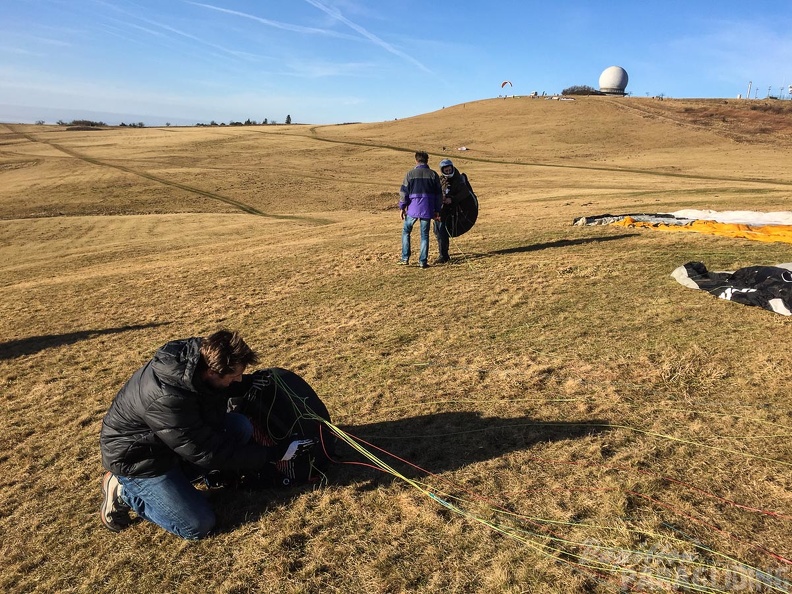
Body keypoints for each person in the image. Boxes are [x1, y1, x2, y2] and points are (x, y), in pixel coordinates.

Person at [99, 329, 314, 540]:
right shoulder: (168, 399)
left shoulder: (199, 360)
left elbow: (209, 393)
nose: (238, 380)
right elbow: (207, 452)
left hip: (171, 443)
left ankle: (178, 487)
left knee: (239, 427)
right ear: (212, 372)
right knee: (197, 524)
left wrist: (247, 383)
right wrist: (273, 454)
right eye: (235, 376)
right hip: (140, 461)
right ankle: (124, 491)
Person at [399, 151, 442, 268]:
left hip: (413, 208)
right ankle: (422, 262)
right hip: (427, 209)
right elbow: (439, 195)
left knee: (406, 232)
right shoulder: (433, 175)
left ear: (416, 160)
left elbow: (404, 192)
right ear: (427, 160)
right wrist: (437, 210)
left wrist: (402, 207)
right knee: (424, 235)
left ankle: (405, 258)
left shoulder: (410, 174)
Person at [434, 158, 469, 264]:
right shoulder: (440, 180)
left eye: (449, 170)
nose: (448, 172)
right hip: (440, 209)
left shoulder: (458, 180)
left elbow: (464, 193)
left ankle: (443, 255)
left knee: (442, 231)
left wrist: (452, 199)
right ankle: (443, 252)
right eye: (446, 171)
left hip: (453, 210)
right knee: (437, 231)